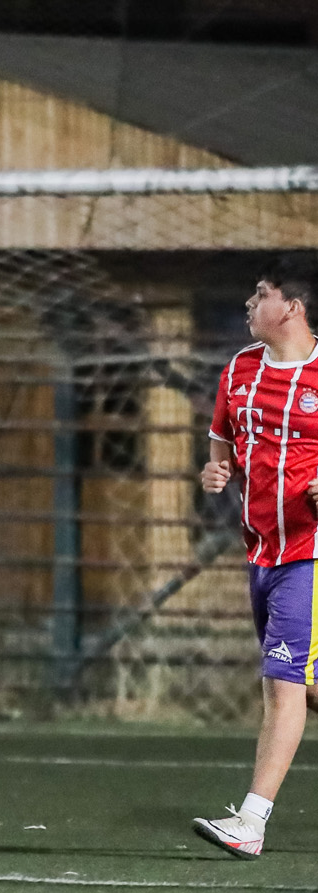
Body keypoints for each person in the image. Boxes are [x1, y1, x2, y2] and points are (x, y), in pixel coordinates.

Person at [194, 254, 318, 858]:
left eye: (261, 294)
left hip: (311, 553)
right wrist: (216, 471)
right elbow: (222, 441)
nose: (250, 303)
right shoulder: (240, 369)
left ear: (291, 307)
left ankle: (251, 821)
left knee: (282, 682)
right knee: (307, 686)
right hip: (262, 553)